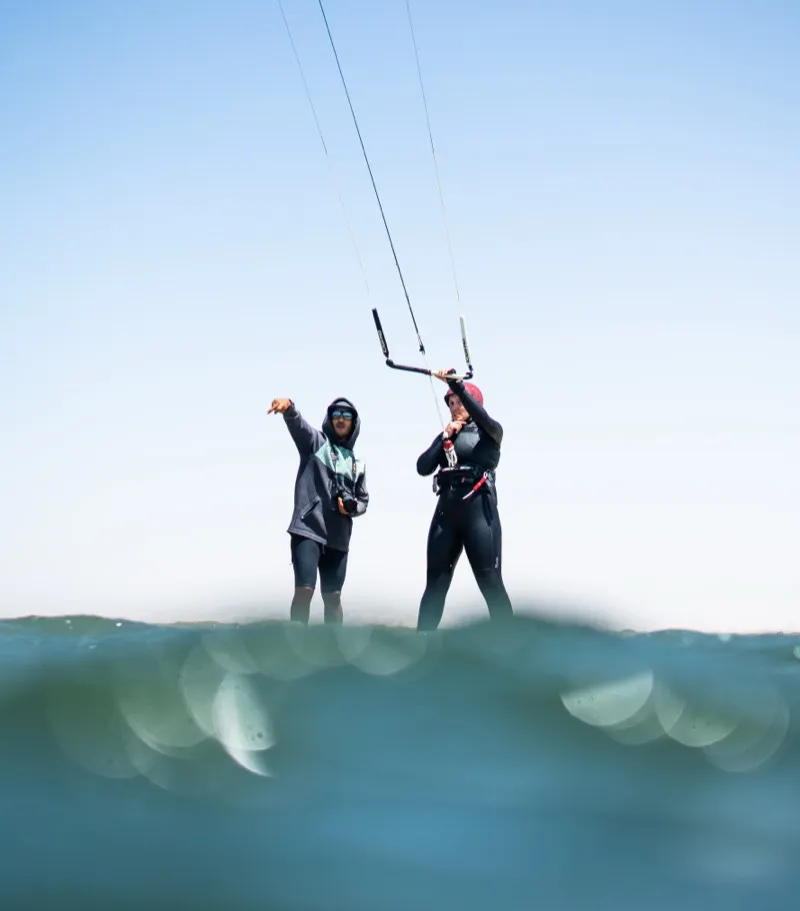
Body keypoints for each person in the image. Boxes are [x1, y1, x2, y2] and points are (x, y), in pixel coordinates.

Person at [415, 369, 513, 631]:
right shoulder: (450, 435)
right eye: (451, 403)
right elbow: (422, 467)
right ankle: (422, 645)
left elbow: (482, 417)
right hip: (446, 514)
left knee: (490, 582)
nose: (454, 406)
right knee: (435, 584)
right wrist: (444, 437)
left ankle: (510, 647)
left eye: (459, 401)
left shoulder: (491, 433)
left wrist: (457, 386)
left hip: (479, 512)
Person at [267, 395, 368, 624]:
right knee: (305, 591)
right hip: (308, 530)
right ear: (329, 419)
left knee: (333, 598)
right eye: (336, 415)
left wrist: (351, 508)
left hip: (338, 538)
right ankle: (295, 645)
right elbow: (299, 426)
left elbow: (364, 500)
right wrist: (289, 408)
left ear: (354, 423)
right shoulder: (315, 444)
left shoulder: (357, 463)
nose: (341, 420)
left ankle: (333, 650)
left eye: (346, 416)